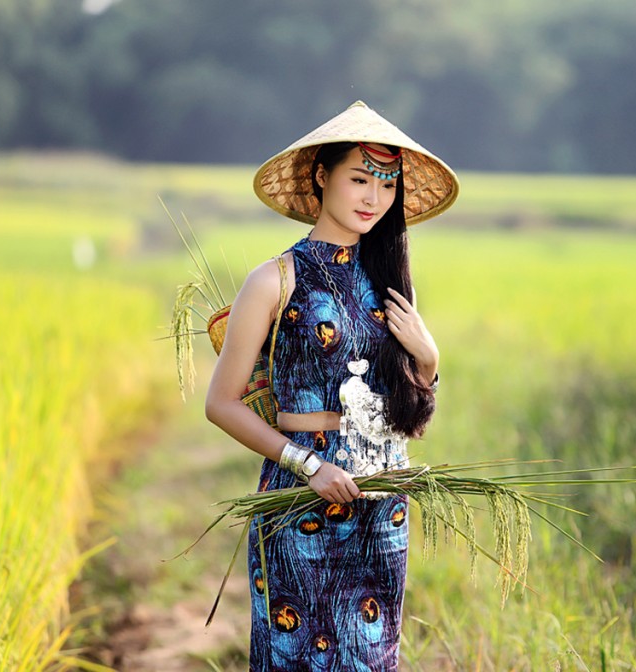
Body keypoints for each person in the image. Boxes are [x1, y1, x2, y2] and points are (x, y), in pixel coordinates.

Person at [204, 101, 459, 670]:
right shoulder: (274, 279)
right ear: (322, 176)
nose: (374, 198)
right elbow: (220, 404)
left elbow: (412, 418)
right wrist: (309, 466)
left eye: (387, 186)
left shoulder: (389, 283)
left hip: (381, 501)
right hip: (301, 502)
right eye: (360, 180)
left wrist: (429, 360)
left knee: (372, 657)